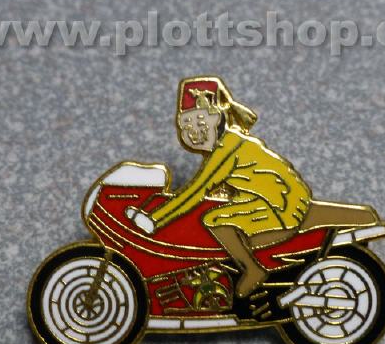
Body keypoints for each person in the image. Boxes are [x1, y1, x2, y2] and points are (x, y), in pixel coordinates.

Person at [127, 76, 312, 297]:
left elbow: (197, 190)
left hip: (282, 205)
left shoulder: (228, 148)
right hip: (267, 197)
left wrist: (154, 220)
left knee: (213, 220)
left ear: (217, 119)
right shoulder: (228, 143)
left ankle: (253, 269)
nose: (192, 130)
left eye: (199, 122)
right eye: (186, 124)